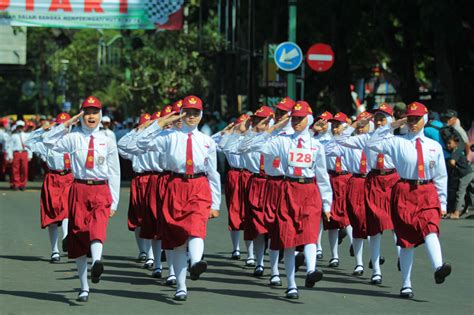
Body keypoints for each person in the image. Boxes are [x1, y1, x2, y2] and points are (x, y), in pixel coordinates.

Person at [233, 100, 332, 299]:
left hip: (309, 190)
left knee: (310, 232)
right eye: (293, 118)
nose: (296, 121)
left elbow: (322, 176)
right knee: (288, 239)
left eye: (300, 118)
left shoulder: (316, 146)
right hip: (288, 190)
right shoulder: (282, 141)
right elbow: (244, 147)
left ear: (309, 120)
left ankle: (311, 270)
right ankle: (291, 283)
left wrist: (327, 203)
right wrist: (272, 129)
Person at [136, 95, 221, 301]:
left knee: (196, 227)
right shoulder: (169, 137)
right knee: (177, 241)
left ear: (201, 115)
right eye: (187, 112)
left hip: (199, 186)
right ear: (180, 114)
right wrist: (161, 123)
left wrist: (216, 203)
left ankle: (196, 262)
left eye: (195, 113)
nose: (191, 117)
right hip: (175, 186)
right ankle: (181, 285)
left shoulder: (207, 141)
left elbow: (213, 173)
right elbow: (137, 142)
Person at [367, 101, 451, 299]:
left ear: (426, 119)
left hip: (427, 189)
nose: (413, 122)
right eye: (410, 118)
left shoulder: (434, 146)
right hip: (404, 190)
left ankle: (438, 266)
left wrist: (443, 201)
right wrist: (392, 125)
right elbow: (371, 143)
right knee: (406, 239)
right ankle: (406, 284)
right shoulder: (398, 141)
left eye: (417, 119)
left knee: (430, 226)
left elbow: (441, 175)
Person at [42, 96, 121, 302]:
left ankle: (96, 261)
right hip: (78, 189)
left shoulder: (107, 139)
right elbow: (48, 141)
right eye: (87, 112)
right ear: (81, 115)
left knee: (98, 227)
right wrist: (68, 124)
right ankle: (84, 287)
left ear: (101, 115)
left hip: (101, 188)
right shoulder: (73, 137)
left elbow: (114, 171)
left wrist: (114, 200)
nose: (91, 116)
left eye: (95, 112)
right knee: (78, 237)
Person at [25, 113, 74, 263]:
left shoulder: (76, 141)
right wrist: (42, 129)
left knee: (67, 210)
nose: (64, 128)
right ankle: (55, 251)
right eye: (61, 125)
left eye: (67, 125)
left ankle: (67, 238)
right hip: (53, 178)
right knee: (52, 217)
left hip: (70, 177)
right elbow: (28, 143)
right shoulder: (47, 143)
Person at [444, 133, 473, 219]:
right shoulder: (459, 148)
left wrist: (455, 167)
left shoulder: (455, 151)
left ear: (455, 143)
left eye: (449, 143)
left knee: (460, 192)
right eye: (447, 143)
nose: (447, 145)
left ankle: (456, 213)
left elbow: (452, 162)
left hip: (465, 174)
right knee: (471, 191)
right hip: (469, 171)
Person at [6, 120, 32, 190]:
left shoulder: (27, 135)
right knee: (15, 169)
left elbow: (29, 145)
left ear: (24, 127)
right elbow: (9, 146)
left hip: (24, 153)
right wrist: (10, 156)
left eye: (21, 127)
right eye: (19, 127)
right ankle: (16, 183)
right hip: (16, 153)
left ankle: (23, 184)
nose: (20, 128)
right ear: (16, 127)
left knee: (24, 169)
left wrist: (30, 155)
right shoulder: (13, 136)